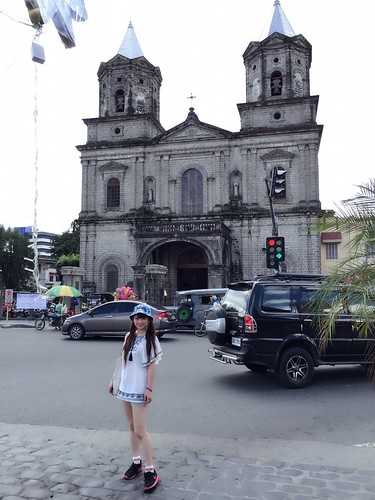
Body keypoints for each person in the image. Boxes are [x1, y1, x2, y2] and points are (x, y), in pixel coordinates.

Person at [108, 303, 163, 494]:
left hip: (139, 388)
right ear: (133, 320)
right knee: (131, 427)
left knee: (141, 431)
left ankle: (151, 470)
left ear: (149, 320)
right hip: (125, 386)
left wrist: (149, 388)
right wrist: (114, 381)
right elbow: (122, 361)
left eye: (143, 318)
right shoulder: (128, 336)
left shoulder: (152, 340)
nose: (139, 321)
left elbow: (152, 367)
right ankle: (136, 461)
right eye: (136, 318)